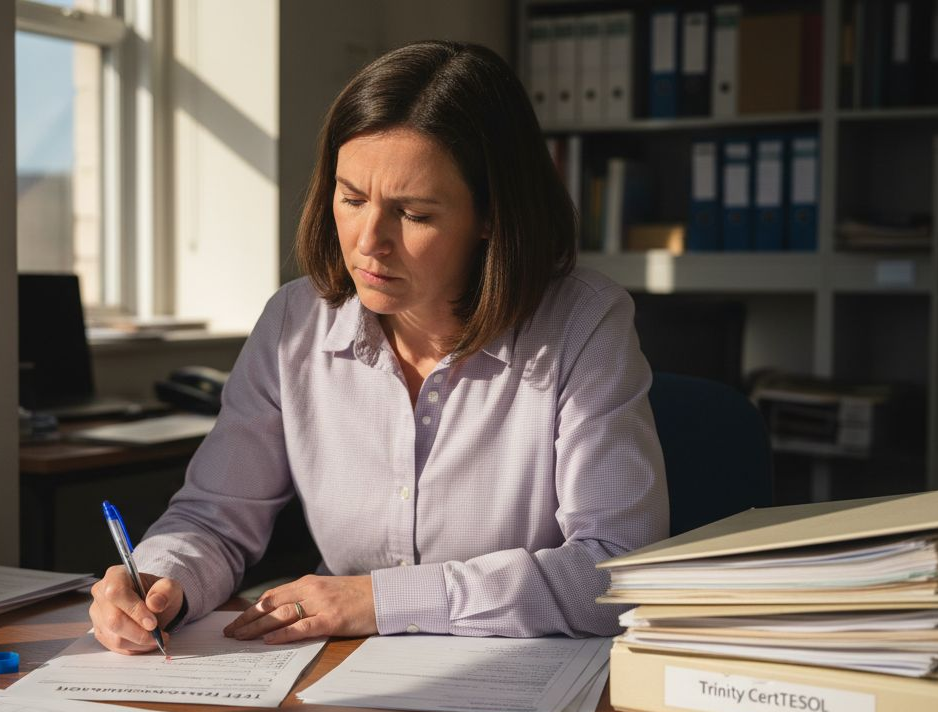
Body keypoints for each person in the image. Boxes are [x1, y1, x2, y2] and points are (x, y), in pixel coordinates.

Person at [89, 40, 668, 653]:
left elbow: (617, 571)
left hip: (524, 681)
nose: (369, 241)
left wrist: (381, 599)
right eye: (352, 198)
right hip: (341, 677)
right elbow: (213, 519)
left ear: (491, 215)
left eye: (413, 214)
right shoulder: (295, 321)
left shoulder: (584, 322)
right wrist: (161, 578)